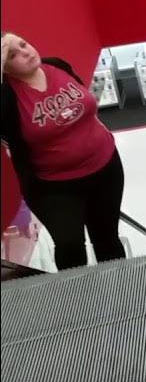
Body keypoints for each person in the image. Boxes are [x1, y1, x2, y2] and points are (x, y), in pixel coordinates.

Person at [1, 32, 127, 270]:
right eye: (12, 55)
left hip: (105, 168)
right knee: (70, 246)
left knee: (107, 238)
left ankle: (120, 291)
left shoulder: (57, 65)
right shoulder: (8, 96)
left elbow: (86, 102)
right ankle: (76, 300)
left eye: (24, 44)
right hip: (55, 187)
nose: (26, 52)